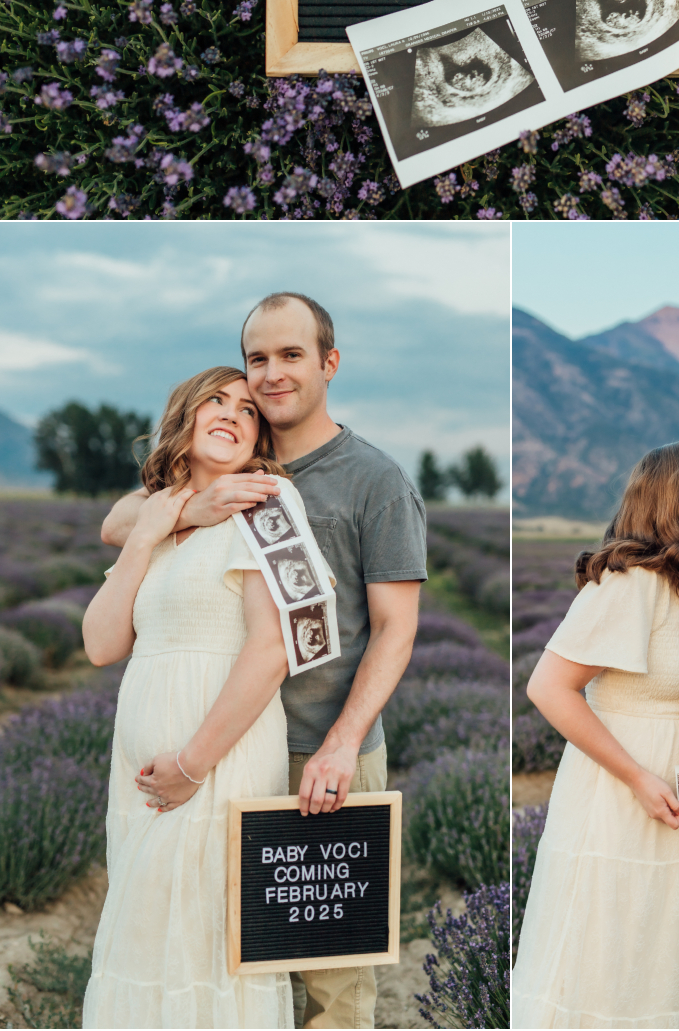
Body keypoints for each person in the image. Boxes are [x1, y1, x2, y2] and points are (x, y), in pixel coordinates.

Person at [103, 290, 428, 1031]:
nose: (272, 373)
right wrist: (196, 505)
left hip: (321, 755)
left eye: (291, 355)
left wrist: (343, 744)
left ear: (329, 362)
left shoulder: (373, 479)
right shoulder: (232, 454)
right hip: (230, 752)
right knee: (219, 961)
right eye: (258, 358)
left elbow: (396, 628)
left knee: (329, 988)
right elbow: (120, 520)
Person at [82, 365, 308, 1027]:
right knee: (149, 935)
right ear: (185, 415)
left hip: (215, 760)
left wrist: (191, 765)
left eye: (248, 408)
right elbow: (100, 643)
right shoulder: (157, 518)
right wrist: (155, 528)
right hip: (141, 777)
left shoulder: (269, 505)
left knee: (208, 939)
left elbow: (272, 649)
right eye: (217, 399)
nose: (233, 413)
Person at [512, 440, 679, 1029]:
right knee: (606, 954)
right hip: (621, 793)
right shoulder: (630, 582)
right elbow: (549, 687)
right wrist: (637, 776)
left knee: (662, 957)